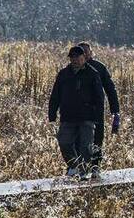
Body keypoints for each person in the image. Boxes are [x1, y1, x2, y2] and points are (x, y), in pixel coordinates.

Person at [48, 46, 104, 180]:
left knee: (86, 146)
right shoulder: (63, 74)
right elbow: (55, 94)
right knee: (64, 142)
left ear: (84, 57)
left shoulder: (92, 73)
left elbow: (99, 97)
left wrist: (98, 116)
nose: (75, 59)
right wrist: (52, 113)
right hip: (68, 115)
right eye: (72, 57)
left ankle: (83, 171)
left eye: (78, 57)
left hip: (87, 116)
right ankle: (73, 166)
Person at [78, 42, 120, 178]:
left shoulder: (99, 67)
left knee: (97, 139)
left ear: (91, 52)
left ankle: (95, 166)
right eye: (81, 52)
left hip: (96, 110)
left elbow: (110, 89)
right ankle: (82, 167)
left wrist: (115, 110)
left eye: (86, 51)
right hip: (79, 111)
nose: (84, 54)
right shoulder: (73, 68)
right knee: (80, 139)